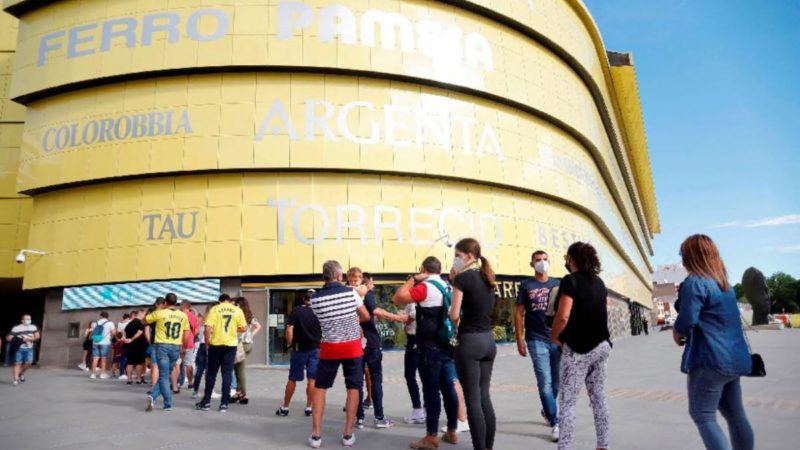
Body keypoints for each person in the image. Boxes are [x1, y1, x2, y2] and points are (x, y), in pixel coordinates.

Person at [673, 234, 754, 450]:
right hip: (734, 360)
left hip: (709, 360)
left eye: (683, 254)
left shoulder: (695, 282)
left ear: (693, 256)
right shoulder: (725, 285)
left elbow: (687, 319)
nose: (682, 259)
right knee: (736, 415)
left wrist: (677, 332)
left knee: (703, 414)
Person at [394, 256, 460, 449]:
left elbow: (397, 298)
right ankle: (452, 431)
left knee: (431, 391)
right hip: (447, 344)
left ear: (423, 269)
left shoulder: (426, 287)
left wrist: (413, 279)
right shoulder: (448, 286)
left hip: (429, 346)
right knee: (448, 387)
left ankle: (431, 436)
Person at [551, 242, 612, 450]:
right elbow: (603, 312)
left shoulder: (570, 281)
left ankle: (565, 447)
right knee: (599, 398)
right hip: (602, 346)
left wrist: (555, 336)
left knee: (568, 402)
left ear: (571, 259)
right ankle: (603, 445)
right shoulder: (600, 283)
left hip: (578, 349)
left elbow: (564, 314)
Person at [307, 260, 370, 448]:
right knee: (353, 387)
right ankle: (348, 434)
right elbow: (365, 315)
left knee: (320, 387)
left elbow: (322, 321)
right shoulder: (351, 293)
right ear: (338, 276)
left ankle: (316, 435)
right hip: (352, 347)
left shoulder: (315, 299)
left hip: (329, 348)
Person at [449, 238, 497, 450]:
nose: (455, 260)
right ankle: (488, 446)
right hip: (488, 340)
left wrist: (454, 282)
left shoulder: (463, 279)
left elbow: (453, 314)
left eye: (458, 256)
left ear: (469, 256)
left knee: (472, 399)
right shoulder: (487, 277)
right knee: (484, 395)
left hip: (469, 341)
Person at [348, 268, 406, 429]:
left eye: (356, 279)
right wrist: (398, 317)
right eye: (353, 279)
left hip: (355, 343)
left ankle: (359, 417)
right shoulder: (366, 294)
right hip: (369, 343)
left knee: (357, 382)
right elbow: (375, 311)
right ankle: (378, 417)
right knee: (375, 380)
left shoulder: (345, 294)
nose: (354, 282)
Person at [515, 250, 561, 441]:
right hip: (536, 339)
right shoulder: (526, 285)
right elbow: (518, 313)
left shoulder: (558, 284)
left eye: (544, 259)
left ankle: (546, 409)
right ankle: (555, 422)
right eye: (537, 260)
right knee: (545, 383)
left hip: (557, 339)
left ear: (549, 261)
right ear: (531, 264)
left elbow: (565, 311)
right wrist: (519, 338)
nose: (541, 263)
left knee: (556, 383)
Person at [195, 294, 247, 412]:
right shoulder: (237, 310)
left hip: (216, 344)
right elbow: (244, 328)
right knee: (227, 374)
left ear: (220, 301)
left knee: (211, 373)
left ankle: (206, 402)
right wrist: (233, 330)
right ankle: (224, 404)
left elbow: (207, 328)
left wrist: (207, 343)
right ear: (229, 301)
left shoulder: (215, 309)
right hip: (230, 345)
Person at [278, 289, 321, 417]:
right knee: (312, 379)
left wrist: (290, 344)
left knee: (293, 378)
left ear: (304, 299)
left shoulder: (296, 311)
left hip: (299, 349)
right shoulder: (319, 312)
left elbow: (289, 329)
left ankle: (285, 407)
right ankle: (309, 407)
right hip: (315, 348)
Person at [143, 294, 190, 411]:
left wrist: (158, 309)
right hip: (175, 346)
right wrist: (184, 347)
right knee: (166, 374)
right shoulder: (182, 315)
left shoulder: (160, 313)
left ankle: (165, 402)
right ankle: (155, 397)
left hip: (162, 346)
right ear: (176, 302)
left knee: (163, 376)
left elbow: (144, 321)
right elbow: (186, 333)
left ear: (165, 302)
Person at [232, 296, 261, 404]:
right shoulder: (249, 315)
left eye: (235, 304)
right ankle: (238, 392)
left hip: (241, 345)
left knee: (239, 369)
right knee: (237, 368)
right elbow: (258, 326)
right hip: (247, 343)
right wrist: (250, 336)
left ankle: (243, 394)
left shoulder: (237, 315)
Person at [401, 299, 424, 425]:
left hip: (416, 338)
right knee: (423, 374)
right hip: (417, 337)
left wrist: (406, 320)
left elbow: (413, 314)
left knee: (410, 374)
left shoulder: (417, 299)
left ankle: (418, 409)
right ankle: (423, 408)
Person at [174, 300, 199, 393]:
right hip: (189, 342)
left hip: (178, 342)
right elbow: (196, 331)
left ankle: (175, 383)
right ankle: (190, 382)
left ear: (182, 306)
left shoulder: (178, 315)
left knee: (176, 363)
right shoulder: (194, 317)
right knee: (188, 364)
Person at [7, 314, 40, 386]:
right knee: (17, 363)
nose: (29, 320)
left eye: (29, 319)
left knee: (29, 362)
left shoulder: (33, 327)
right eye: (27, 319)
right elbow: (9, 338)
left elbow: (37, 336)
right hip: (19, 348)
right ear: (22, 320)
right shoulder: (16, 328)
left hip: (29, 348)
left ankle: (21, 373)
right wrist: (15, 339)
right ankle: (15, 380)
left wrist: (30, 339)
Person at [124, 310, 147, 385]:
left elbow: (124, 331)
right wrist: (132, 339)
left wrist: (126, 339)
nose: (145, 315)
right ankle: (139, 378)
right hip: (139, 345)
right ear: (140, 314)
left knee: (130, 362)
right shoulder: (140, 323)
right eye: (144, 314)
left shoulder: (130, 323)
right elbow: (139, 332)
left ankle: (129, 379)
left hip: (129, 345)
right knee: (138, 363)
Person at [89, 311, 115, 379]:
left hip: (95, 341)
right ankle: (102, 374)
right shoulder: (110, 323)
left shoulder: (95, 323)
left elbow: (92, 331)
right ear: (107, 316)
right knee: (103, 358)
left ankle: (93, 374)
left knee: (95, 358)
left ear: (101, 316)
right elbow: (113, 332)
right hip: (105, 342)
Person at [116, 313, 130, 379]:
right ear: (127, 318)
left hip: (120, 341)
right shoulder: (128, 323)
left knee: (122, 358)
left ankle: (123, 373)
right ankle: (124, 373)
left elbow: (118, 333)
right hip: (126, 341)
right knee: (125, 358)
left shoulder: (119, 323)